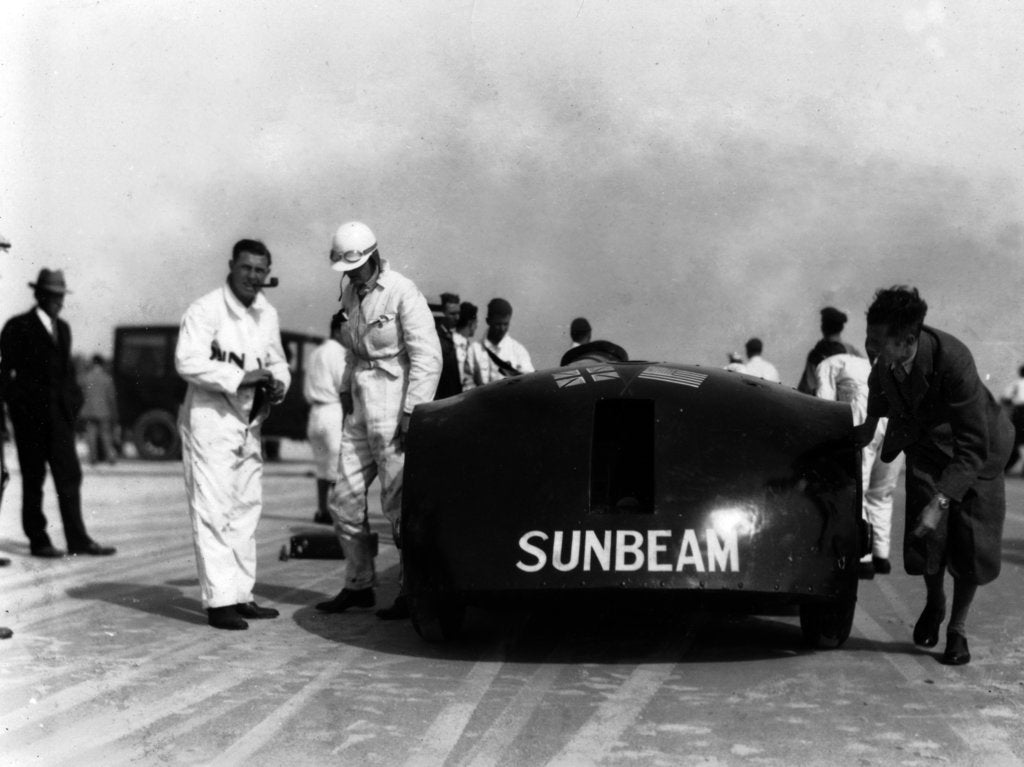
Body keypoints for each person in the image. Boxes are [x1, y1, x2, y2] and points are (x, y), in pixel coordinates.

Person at [852, 286, 1013, 666]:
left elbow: (972, 447)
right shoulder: (886, 357)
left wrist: (940, 502)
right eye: (868, 338)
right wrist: (868, 426)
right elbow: (879, 387)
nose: (870, 349)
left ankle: (957, 629)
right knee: (927, 540)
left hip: (979, 452)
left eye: (877, 342)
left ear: (908, 341)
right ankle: (935, 602)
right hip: (927, 448)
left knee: (971, 543)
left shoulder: (953, 359)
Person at [315, 221, 441, 620]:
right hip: (360, 406)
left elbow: (428, 356)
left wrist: (412, 413)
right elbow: (354, 351)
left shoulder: (403, 292)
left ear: (373, 256)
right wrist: (345, 386)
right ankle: (359, 585)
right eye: (346, 269)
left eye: (357, 266)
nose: (352, 275)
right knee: (343, 500)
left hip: (395, 402)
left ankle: (412, 590)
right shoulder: (351, 293)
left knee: (399, 505)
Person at [175, 239, 290, 631]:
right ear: (231, 266)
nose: (253, 277)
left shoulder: (266, 314)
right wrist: (239, 376)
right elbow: (187, 360)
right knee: (213, 509)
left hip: (249, 421)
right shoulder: (206, 309)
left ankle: (241, 594)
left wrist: (279, 384)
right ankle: (219, 601)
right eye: (247, 269)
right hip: (210, 419)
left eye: (260, 270)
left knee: (245, 509)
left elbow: (278, 361)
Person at [0, 269, 116, 559]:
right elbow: (4, 375)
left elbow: (66, 374)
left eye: (61, 296)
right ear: (39, 295)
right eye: (53, 296)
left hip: (60, 421)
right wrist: (19, 408)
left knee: (70, 476)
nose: (58, 302)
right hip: (30, 422)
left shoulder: (62, 329)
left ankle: (77, 539)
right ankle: (38, 541)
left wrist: (72, 405)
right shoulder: (18, 326)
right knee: (33, 479)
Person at [816, 348, 903, 577]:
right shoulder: (867, 363)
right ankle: (881, 554)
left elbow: (823, 401)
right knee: (882, 491)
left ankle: (863, 558)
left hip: (865, 423)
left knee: (858, 489)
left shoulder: (828, 363)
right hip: (892, 423)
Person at [304, 309, 348, 525]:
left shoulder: (316, 352)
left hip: (315, 413)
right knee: (337, 465)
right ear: (338, 330)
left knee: (323, 467)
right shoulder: (338, 353)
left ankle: (322, 510)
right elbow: (344, 386)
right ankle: (335, 511)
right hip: (332, 411)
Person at [466, 298, 534, 386]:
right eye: (498, 324)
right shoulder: (474, 350)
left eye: (506, 324)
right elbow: (467, 386)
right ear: (488, 321)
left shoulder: (518, 351)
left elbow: (530, 382)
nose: (502, 329)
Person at [798, 306, 860, 394]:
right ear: (841, 328)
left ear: (823, 327)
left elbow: (806, 388)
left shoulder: (816, 354)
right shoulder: (851, 351)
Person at [80, 354, 119, 465]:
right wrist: (114, 412)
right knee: (106, 435)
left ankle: (93, 458)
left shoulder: (86, 378)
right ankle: (110, 456)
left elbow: (82, 395)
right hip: (104, 411)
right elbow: (111, 398)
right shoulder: (107, 378)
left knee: (91, 434)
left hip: (89, 411)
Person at [434, 292, 463, 399]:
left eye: (458, 313)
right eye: (452, 314)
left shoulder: (450, 335)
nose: (457, 317)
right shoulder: (437, 337)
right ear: (442, 313)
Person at [1000, 364, 1024, 474]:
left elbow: (1005, 397)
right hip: (1020, 411)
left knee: (1016, 440)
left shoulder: (1016, 384)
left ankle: (1006, 465)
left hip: (1020, 412)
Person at [453, 301, 477, 392]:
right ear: (471, 323)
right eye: (476, 322)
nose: (476, 326)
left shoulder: (468, 346)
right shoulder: (454, 345)